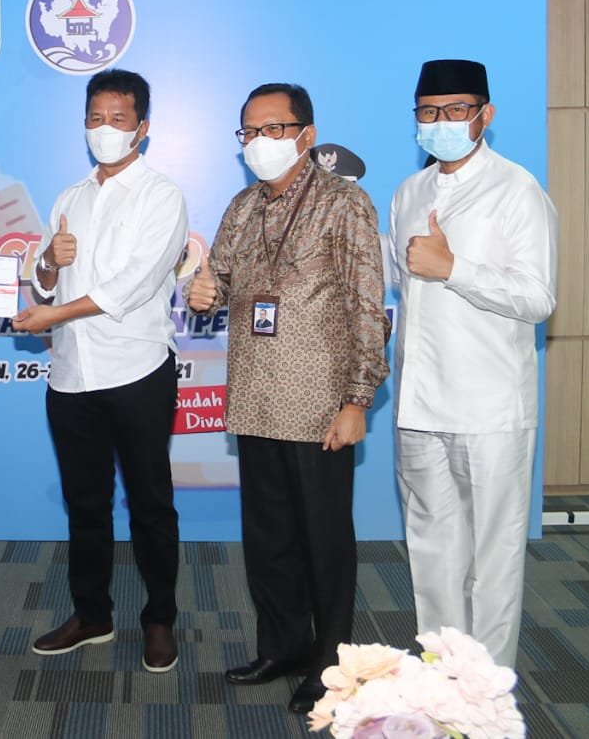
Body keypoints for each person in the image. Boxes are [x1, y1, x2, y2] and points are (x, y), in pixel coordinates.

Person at [186, 83, 390, 713]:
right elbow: (220, 281)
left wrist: (357, 399)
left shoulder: (344, 202)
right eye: (250, 132)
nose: (260, 142)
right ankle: (282, 646)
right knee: (269, 537)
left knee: (323, 540)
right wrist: (204, 294)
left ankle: (330, 663)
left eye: (274, 129)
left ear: (306, 135)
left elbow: (366, 305)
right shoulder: (243, 205)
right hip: (255, 397)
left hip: (319, 402)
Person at [12, 69, 188, 674]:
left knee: (150, 504)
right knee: (85, 504)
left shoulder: (162, 195)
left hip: (136, 369)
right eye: (95, 118)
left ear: (142, 128)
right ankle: (92, 615)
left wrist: (53, 311)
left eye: (118, 119)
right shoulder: (69, 197)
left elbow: (133, 285)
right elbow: (42, 285)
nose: (104, 129)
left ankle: (159, 619)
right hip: (70, 376)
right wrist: (47, 262)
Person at [390, 59, 557, 668]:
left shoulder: (517, 190)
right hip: (418, 402)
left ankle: (487, 695)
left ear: (485, 115)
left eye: (456, 110)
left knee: (493, 558)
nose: (442, 121)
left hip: (490, 407)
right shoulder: (408, 192)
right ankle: (442, 682)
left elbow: (538, 299)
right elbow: (400, 284)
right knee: (432, 552)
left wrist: (453, 268)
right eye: (429, 112)